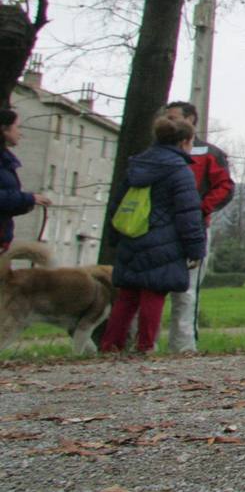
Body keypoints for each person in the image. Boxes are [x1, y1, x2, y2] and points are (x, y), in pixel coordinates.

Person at [100, 116, 207, 354]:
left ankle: (110, 345)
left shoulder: (137, 165)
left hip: (132, 234)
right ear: (183, 142)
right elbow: (188, 215)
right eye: (191, 140)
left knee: (127, 294)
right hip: (164, 240)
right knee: (154, 292)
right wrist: (195, 249)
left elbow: (116, 204)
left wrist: (114, 238)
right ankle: (145, 345)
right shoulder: (180, 171)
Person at [160, 101, 233, 353]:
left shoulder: (209, 153)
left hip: (194, 229)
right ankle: (142, 343)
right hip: (158, 229)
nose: (168, 122)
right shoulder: (156, 152)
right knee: (153, 286)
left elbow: (224, 187)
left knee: (187, 289)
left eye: (173, 117)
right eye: (166, 118)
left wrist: (199, 209)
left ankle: (183, 348)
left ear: (190, 120)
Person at [1, 108, 52, 255]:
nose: (20, 133)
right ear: (4, 129)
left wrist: (27, 202)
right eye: (17, 127)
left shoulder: (6, 161)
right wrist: (28, 198)